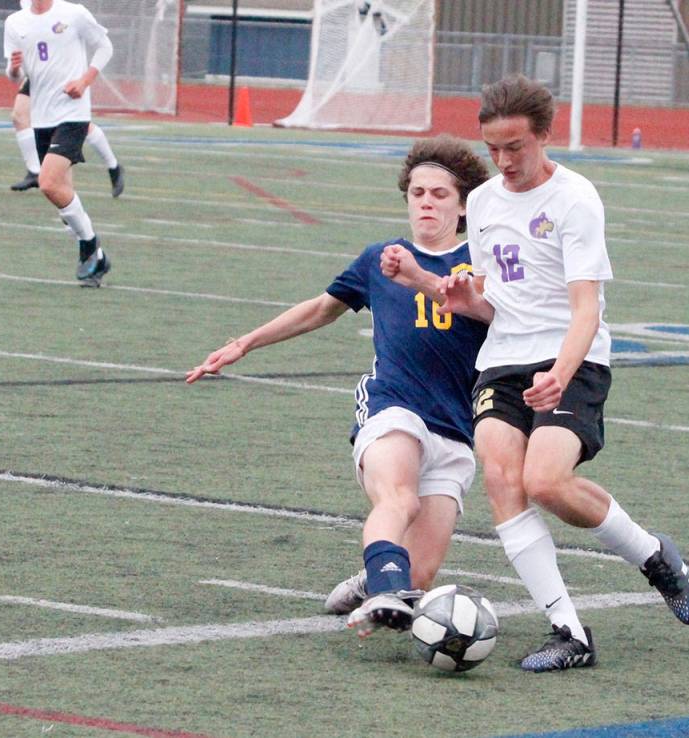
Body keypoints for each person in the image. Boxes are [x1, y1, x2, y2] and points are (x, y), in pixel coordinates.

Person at [383, 74, 689, 673]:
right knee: (503, 478)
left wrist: (560, 371)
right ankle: (569, 632)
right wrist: (449, 290)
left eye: (515, 148)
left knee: (547, 482)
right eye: (493, 149)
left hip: (571, 356)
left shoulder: (575, 199)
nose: (503, 162)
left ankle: (654, 556)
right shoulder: (483, 202)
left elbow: (587, 309)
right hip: (503, 360)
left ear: (544, 136)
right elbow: (492, 300)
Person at [186, 135, 490, 638]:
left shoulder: (483, 263)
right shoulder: (380, 259)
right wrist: (245, 343)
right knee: (400, 499)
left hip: (455, 426)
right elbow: (320, 309)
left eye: (440, 194)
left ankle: (375, 579)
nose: (426, 203)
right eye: (417, 193)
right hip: (394, 406)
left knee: (421, 575)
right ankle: (386, 588)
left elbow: (497, 313)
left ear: (463, 207)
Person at [4, 0, 114, 286]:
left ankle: (89, 244)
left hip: (73, 113)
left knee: (48, 183)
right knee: (62, 195)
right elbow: (15, 75)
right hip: (42, 117)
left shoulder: (73, 13)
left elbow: (105, 46)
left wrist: (85, 81)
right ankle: (98, 260)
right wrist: (14, 70)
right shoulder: (15, 22)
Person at [10, 85, 125, 197]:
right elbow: (15, 77)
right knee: (19, 115)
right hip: (41, 75)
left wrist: (84, 81)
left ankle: (114, 167)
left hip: (66, 77)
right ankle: (35, 172)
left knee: (76, 122)